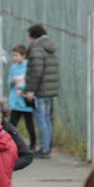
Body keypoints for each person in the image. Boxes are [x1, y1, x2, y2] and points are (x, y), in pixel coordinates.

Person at [24, 24, 59, 158]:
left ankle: (44, 149)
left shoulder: (37, 49)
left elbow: (36, 71)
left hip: (40, 90)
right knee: (48, 119)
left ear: (33, 36)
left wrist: (31, 90)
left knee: (41, 119)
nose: (28, 40)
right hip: (50, 89)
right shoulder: (49, 47)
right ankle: (47, 146)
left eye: (29, 37)